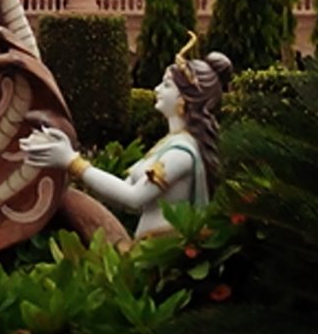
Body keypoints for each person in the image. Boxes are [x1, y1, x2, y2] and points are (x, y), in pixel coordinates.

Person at [20, 33, 231, 238]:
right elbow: (122, 190)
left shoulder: (181, 153)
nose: (156, 89)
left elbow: (133, 198)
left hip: (165, 257)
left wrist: (72, 161)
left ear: (184, 99)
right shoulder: (169, 144)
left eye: (166, 85)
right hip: (149, 252)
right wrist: (69, 160)